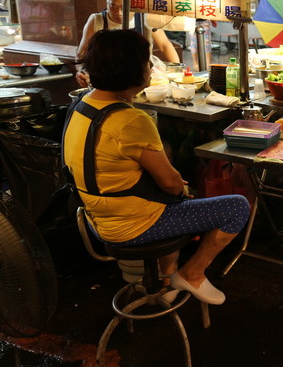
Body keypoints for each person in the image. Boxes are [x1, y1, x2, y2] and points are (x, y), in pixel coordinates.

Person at [64, 29, 250, 304]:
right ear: (130, 70)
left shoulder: (83, 103)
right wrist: (178, 187)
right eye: (147, 61)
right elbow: (170, 184)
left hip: (94, 216)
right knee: (236, 207)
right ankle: (192, 273)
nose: (151, 66)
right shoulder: (131, 120)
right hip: (131, 225)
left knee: (174, 200)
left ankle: (166, 279)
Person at [76, 0, 180, 87]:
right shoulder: (97, 20)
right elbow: (81, 54)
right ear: (107, 2)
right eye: (113, 6)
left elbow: (164, 45)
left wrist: (178, 73)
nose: (119, 13)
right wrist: (82, 72)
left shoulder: (145, 18)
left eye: (125, 8)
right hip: (109, 77)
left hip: (143, 75)